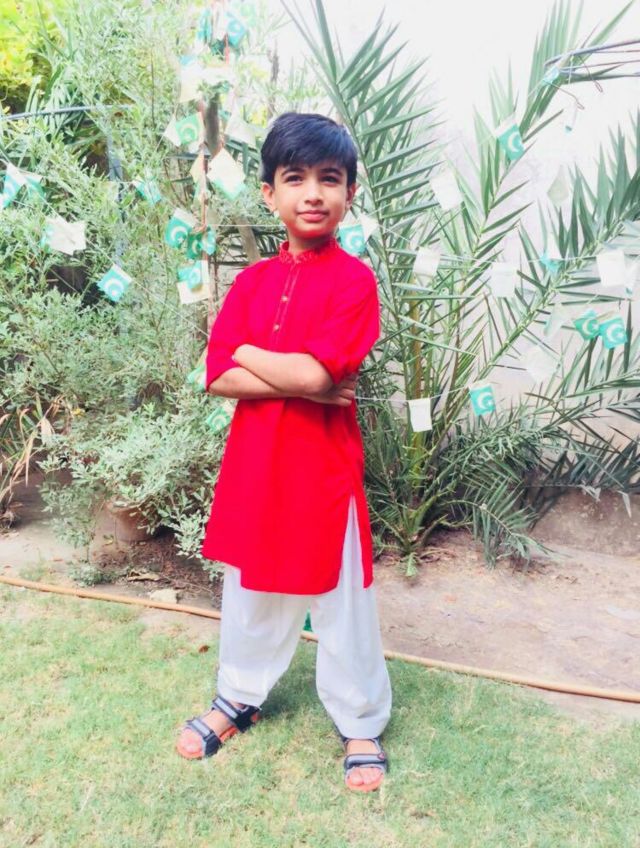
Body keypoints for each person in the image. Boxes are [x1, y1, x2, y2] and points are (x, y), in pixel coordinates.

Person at [176, 112, 392, 792]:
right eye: (295, 178)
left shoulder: (354, 283)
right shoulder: (251, 284)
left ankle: (360, 720)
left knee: (340, 599)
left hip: (324, 470)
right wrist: (300, 378)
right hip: (256, 465)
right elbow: (219, 377)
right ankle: (238, 696)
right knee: (251, 590)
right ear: (269, 193)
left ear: (349, 192)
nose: (313, 193)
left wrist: (249, 353)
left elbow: (314, 372)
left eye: (330, 178)